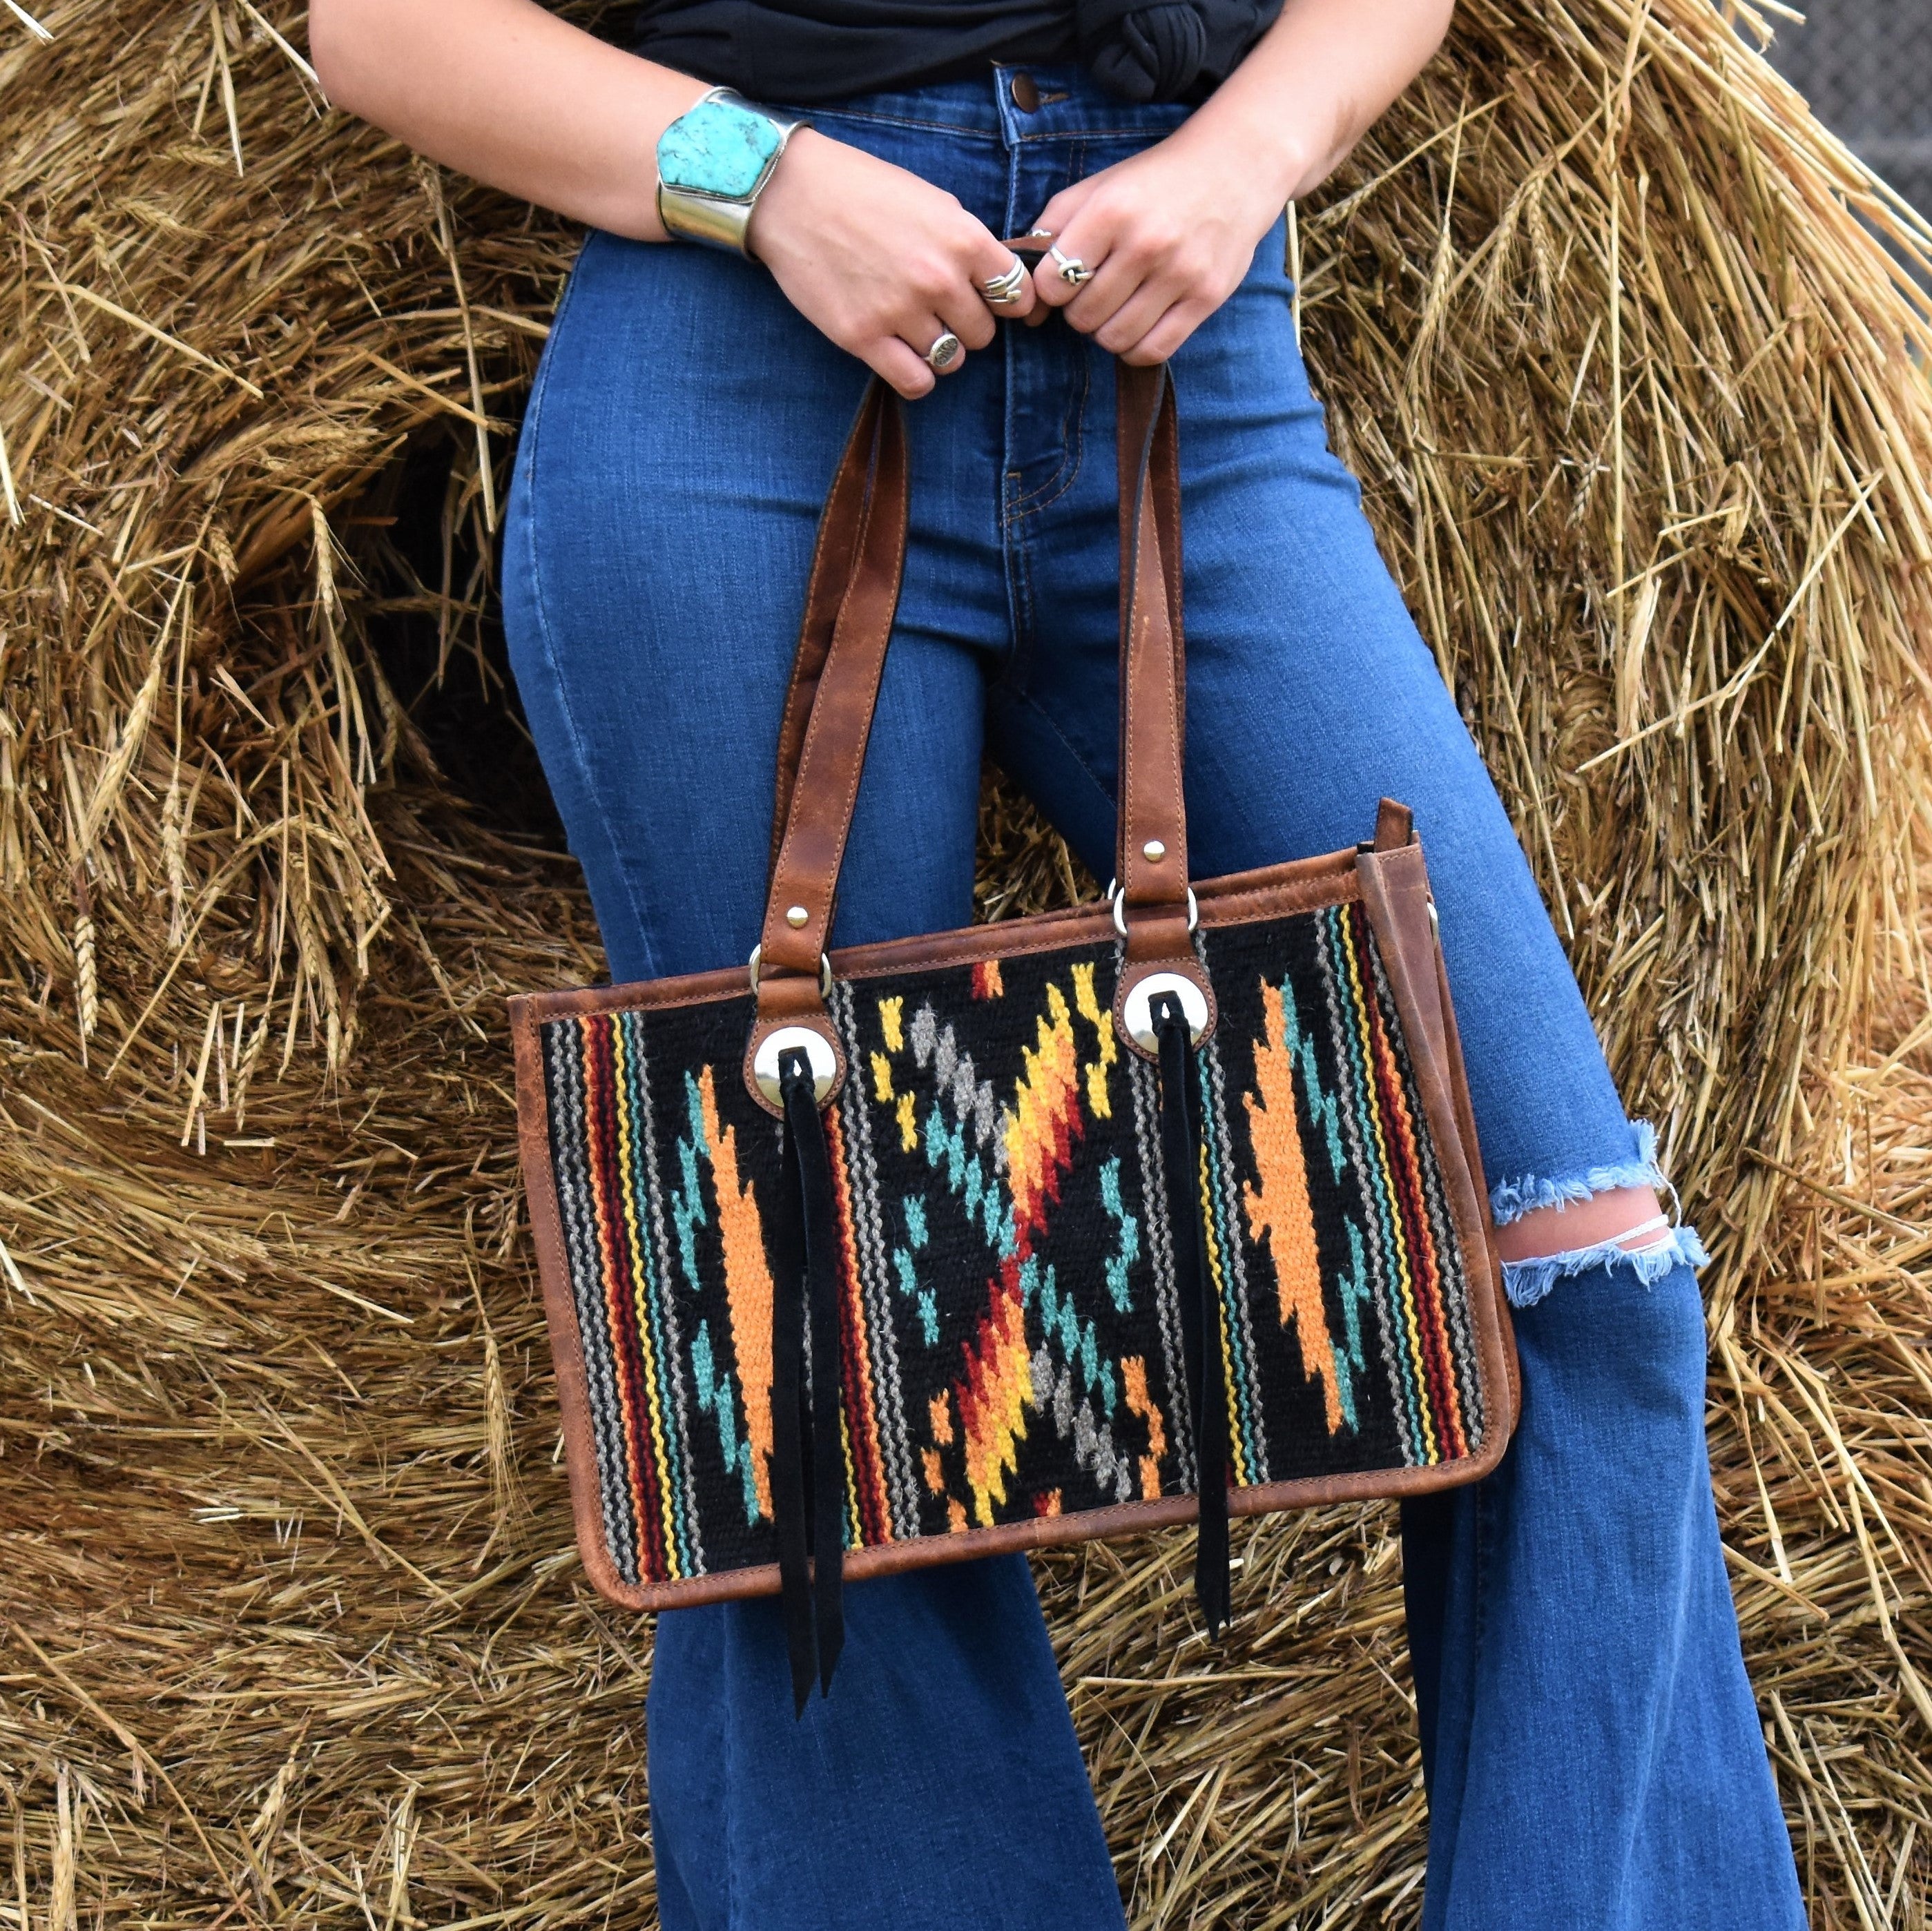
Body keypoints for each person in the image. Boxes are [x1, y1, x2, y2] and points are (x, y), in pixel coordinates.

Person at [307, 1, 1808, 1923]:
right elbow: (379, 24)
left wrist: (1243, 157)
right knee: (836, 1344)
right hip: (747, 378)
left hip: (1189, 362)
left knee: (1568, 1252)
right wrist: (768, 187)